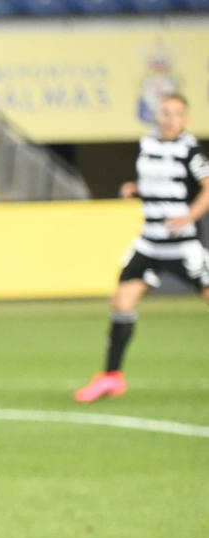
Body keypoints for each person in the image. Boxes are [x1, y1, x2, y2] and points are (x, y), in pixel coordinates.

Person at [75, 92, 209, 403]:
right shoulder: (146, 146)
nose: (171, 119)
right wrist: (135, 189)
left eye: (177, 114)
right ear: (157, 117)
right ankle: (111, 377)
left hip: (181, 244)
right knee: (121, 301)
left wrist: (190, 215)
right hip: (148, 242)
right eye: (165, 113)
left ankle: (110, 376)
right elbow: (153, 184)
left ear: (185, 119)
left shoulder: (191, 150)